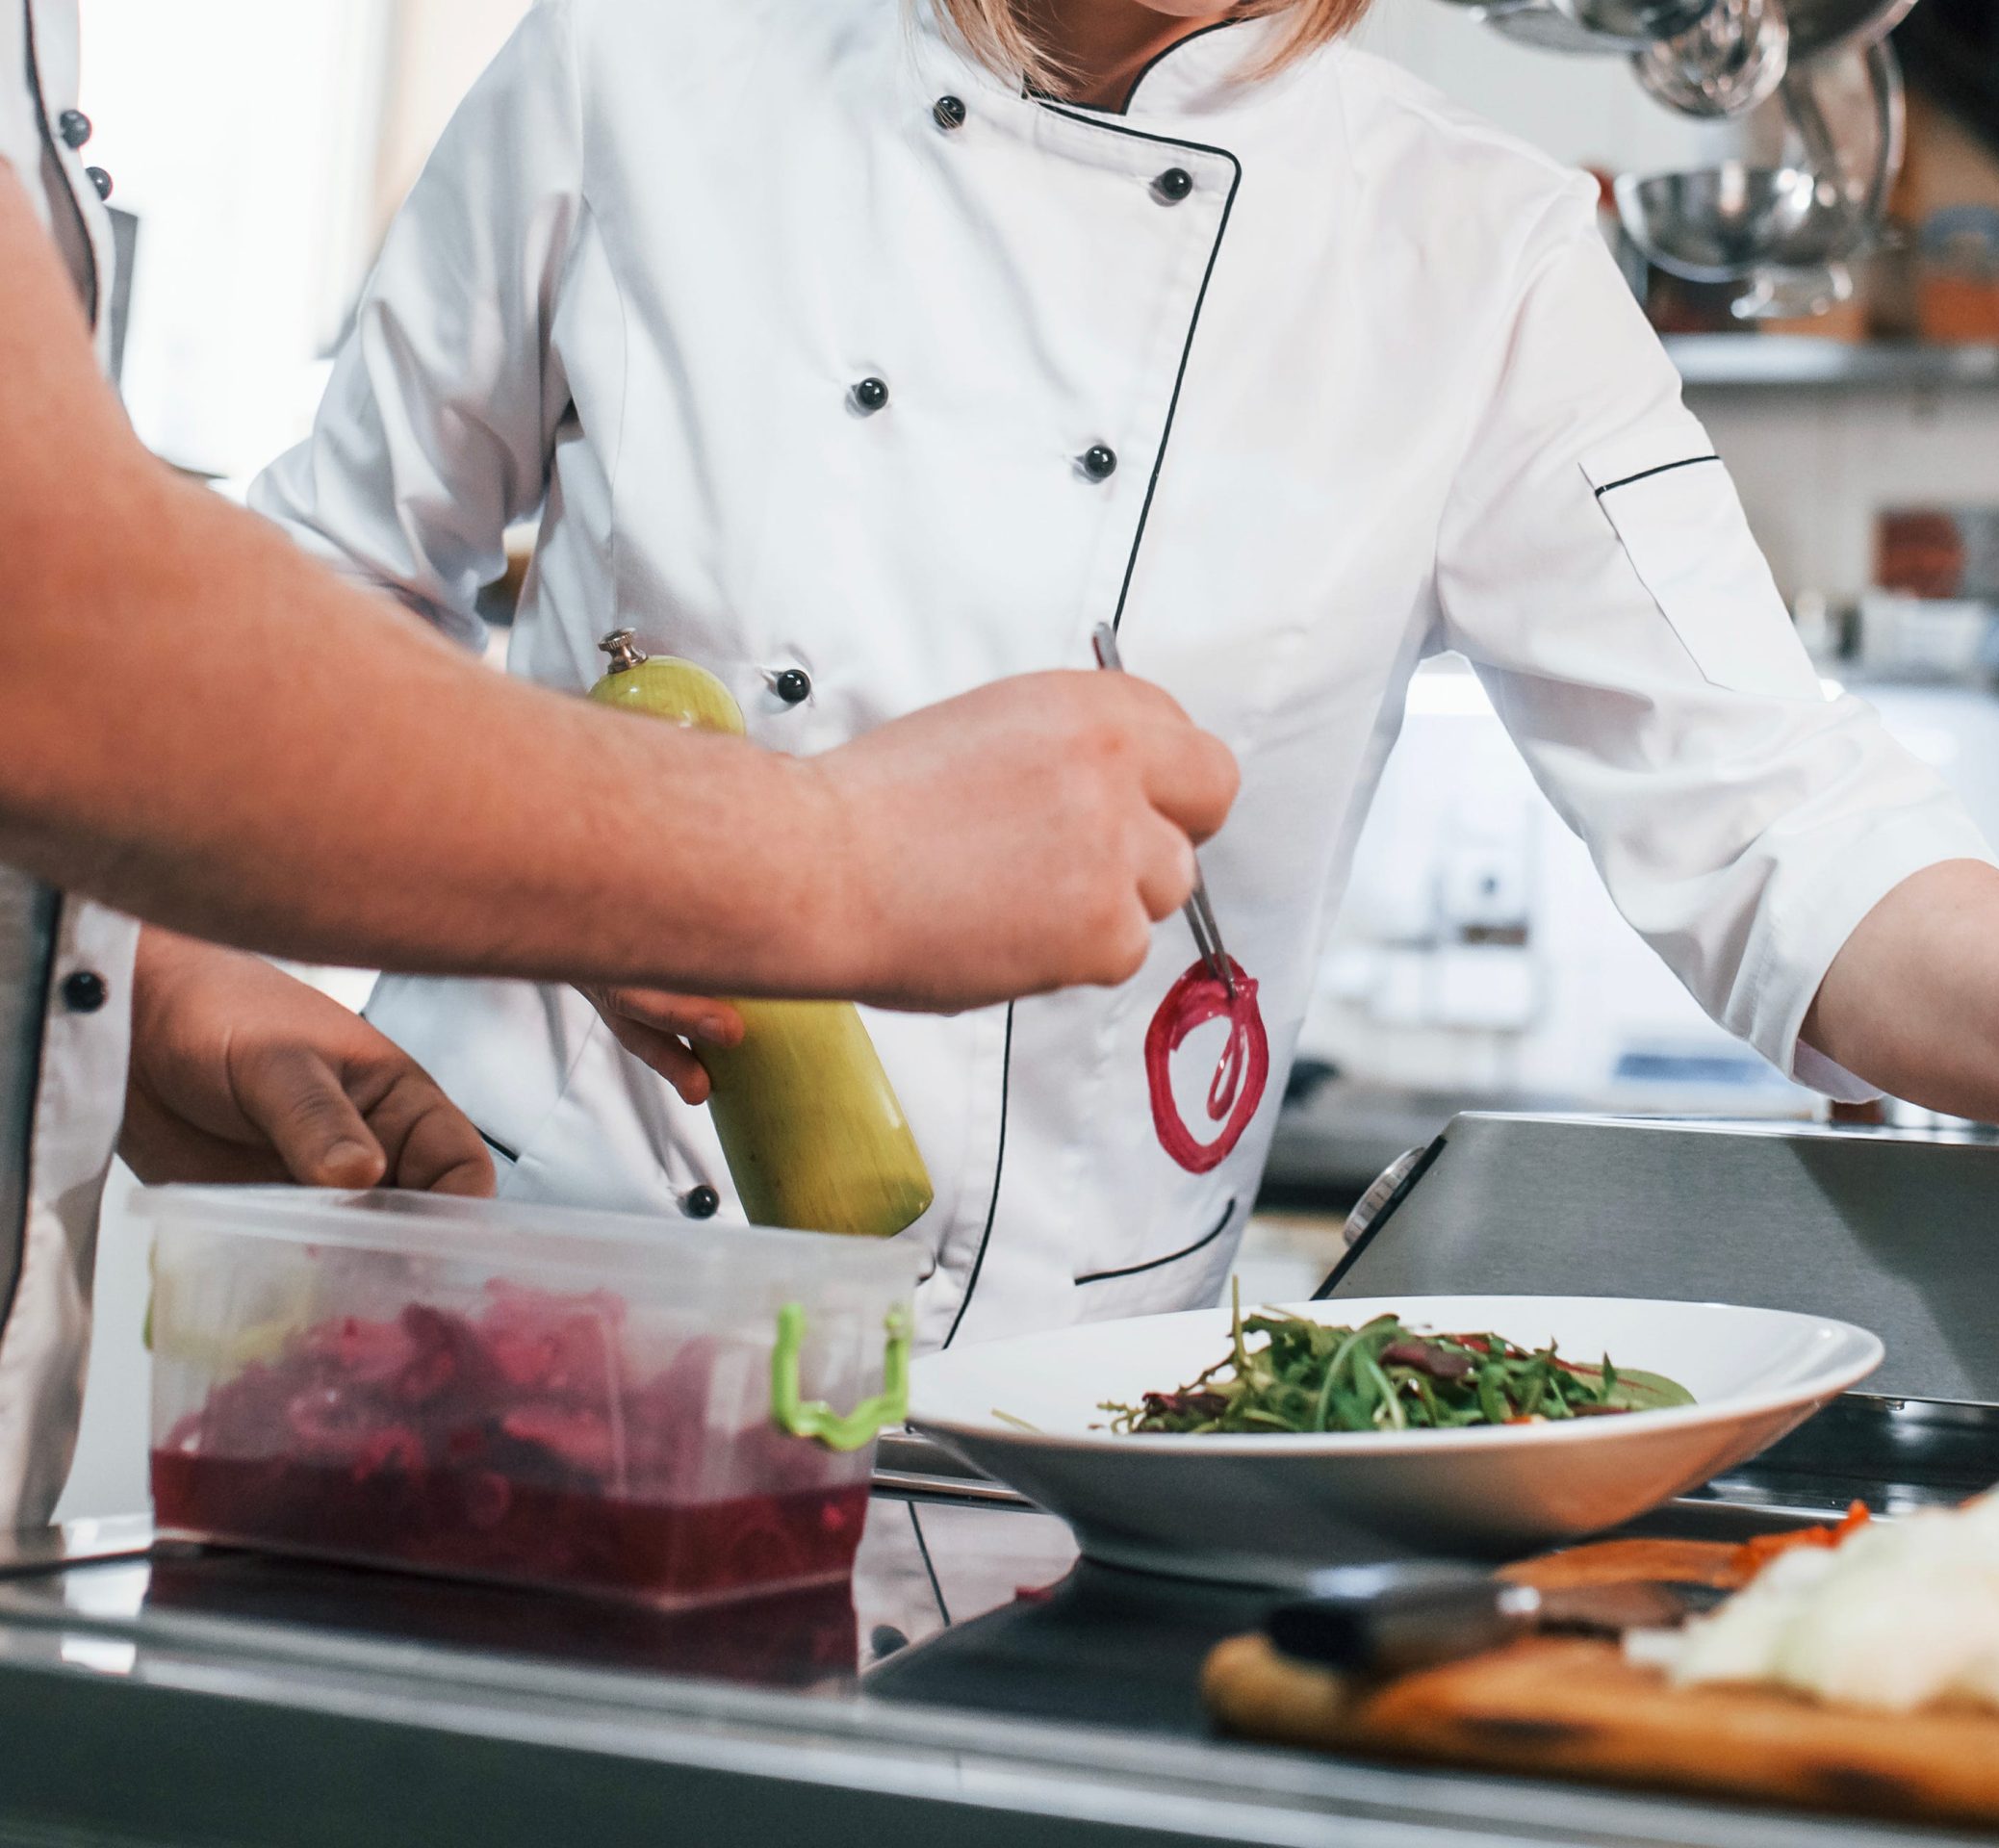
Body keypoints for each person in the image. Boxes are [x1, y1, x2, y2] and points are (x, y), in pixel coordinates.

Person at [254, 0, 1999, 1362]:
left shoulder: (1472, 243)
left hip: (1047, 1440)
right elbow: (314, 599)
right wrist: (443, 901)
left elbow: (1771, 820)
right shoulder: (634, 69)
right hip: (517, 1319)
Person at [0, 0, 1239, 1529]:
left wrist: (151, 979)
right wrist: (803, 862)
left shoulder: (1457, 222)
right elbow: (54, 614)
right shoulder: (638, 57)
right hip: (531, 1285)